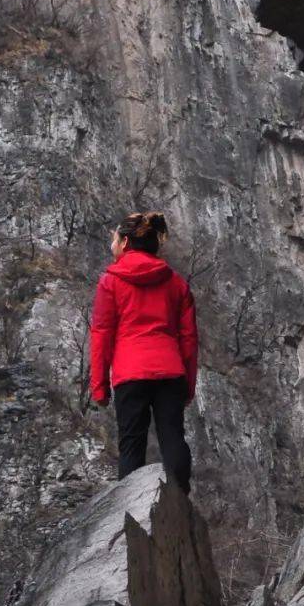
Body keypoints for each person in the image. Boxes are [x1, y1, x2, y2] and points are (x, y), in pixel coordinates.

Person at [88, 211, 197, 493]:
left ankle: (130, 515)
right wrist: (188, 386)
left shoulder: (110, 282)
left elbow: (101, 334)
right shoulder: (176, 283)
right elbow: (188, 338)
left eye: (113, 240)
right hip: (170, 371)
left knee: (131, 445)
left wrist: (99, 387)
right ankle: (179, 504)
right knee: (173, 438)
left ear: (125, 242)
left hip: (130, 373)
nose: (111, 246)